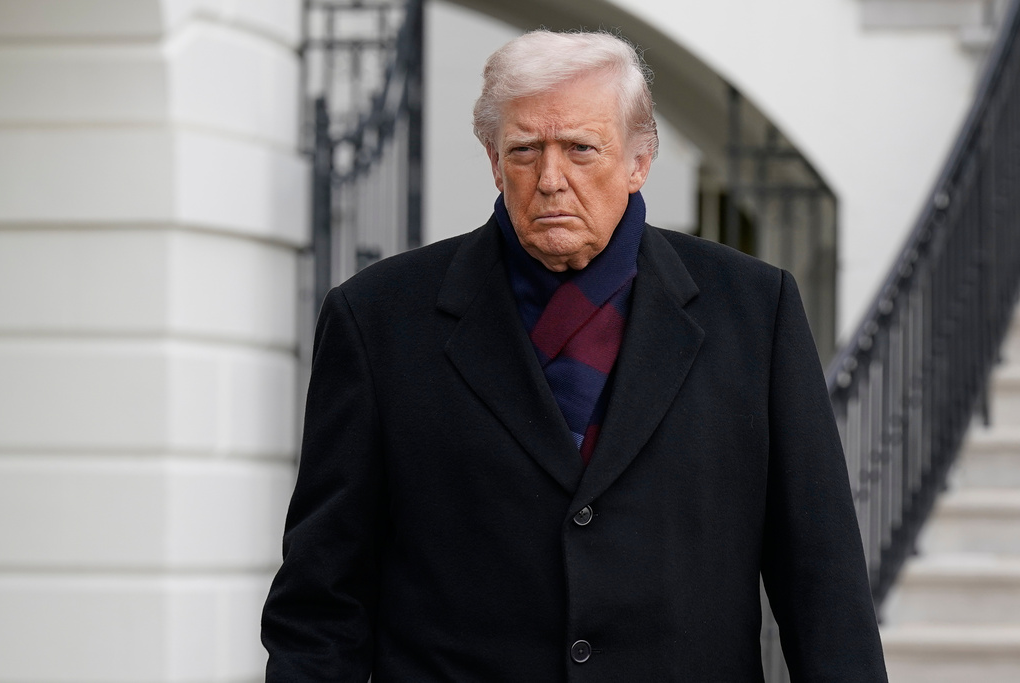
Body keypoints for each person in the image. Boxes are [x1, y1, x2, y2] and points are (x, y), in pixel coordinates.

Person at [262, 29, 887, 681]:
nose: (550, 179)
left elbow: (824, 592)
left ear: (639, 159)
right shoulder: (377, 320)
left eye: (580, 149)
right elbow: (321, 605)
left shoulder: (757, 312)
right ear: (493, 160)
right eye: (526, 150)